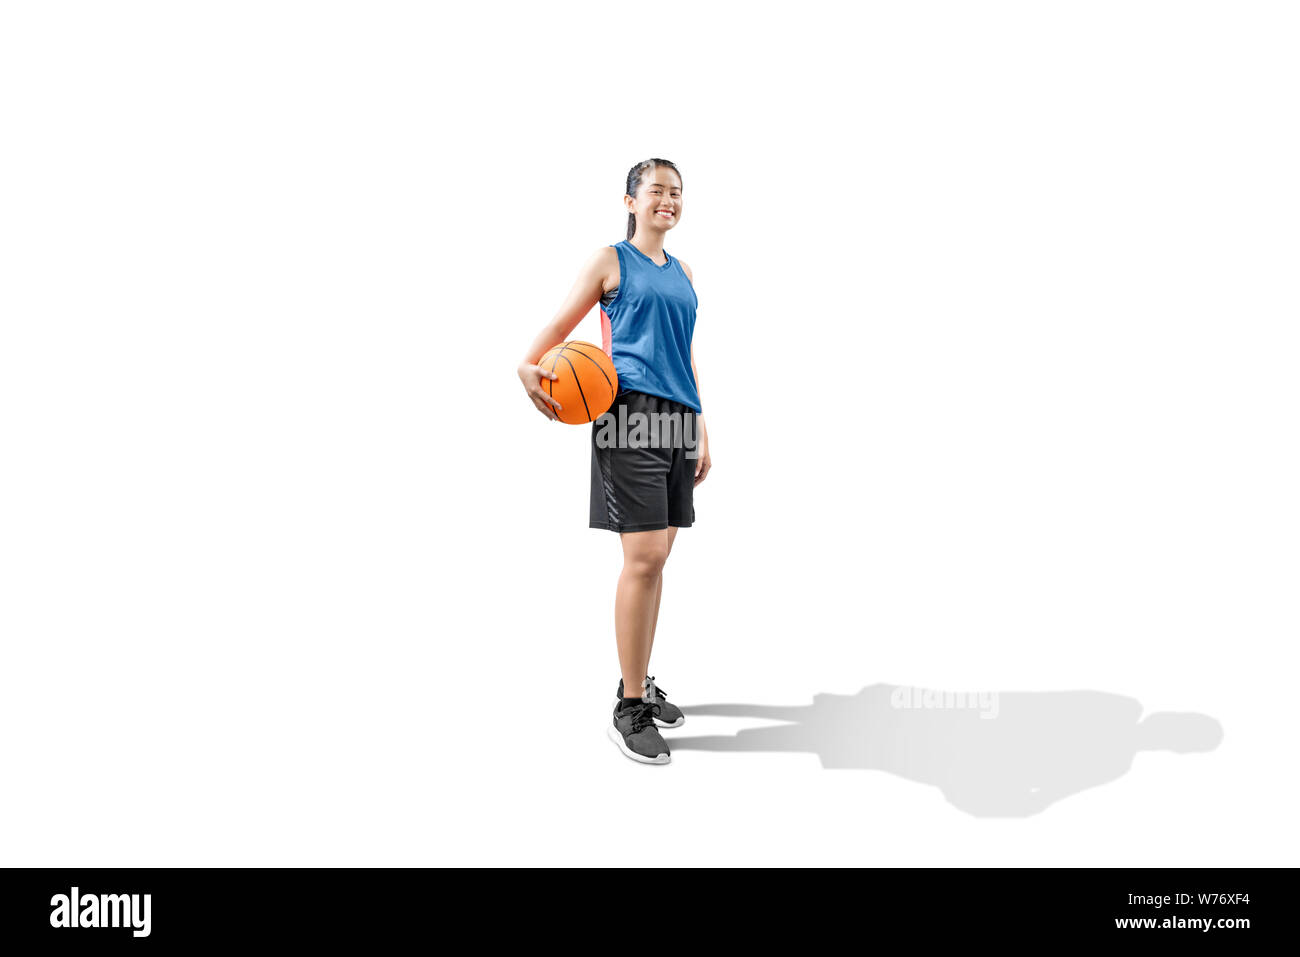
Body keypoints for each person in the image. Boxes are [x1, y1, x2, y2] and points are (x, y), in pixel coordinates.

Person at [516, 158, 711, 765]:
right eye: (656, 191)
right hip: (628, 414)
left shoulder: (682, 274)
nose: (668, 201)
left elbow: (685, 354)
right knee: (645, 556)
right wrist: (529, 366)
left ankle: (641, 680)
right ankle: (629, 706)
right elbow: (554, 333)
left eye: (676, 193)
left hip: (677, 418)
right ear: (630, 200)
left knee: (659, 562)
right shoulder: (610, 261)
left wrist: (701, 426)